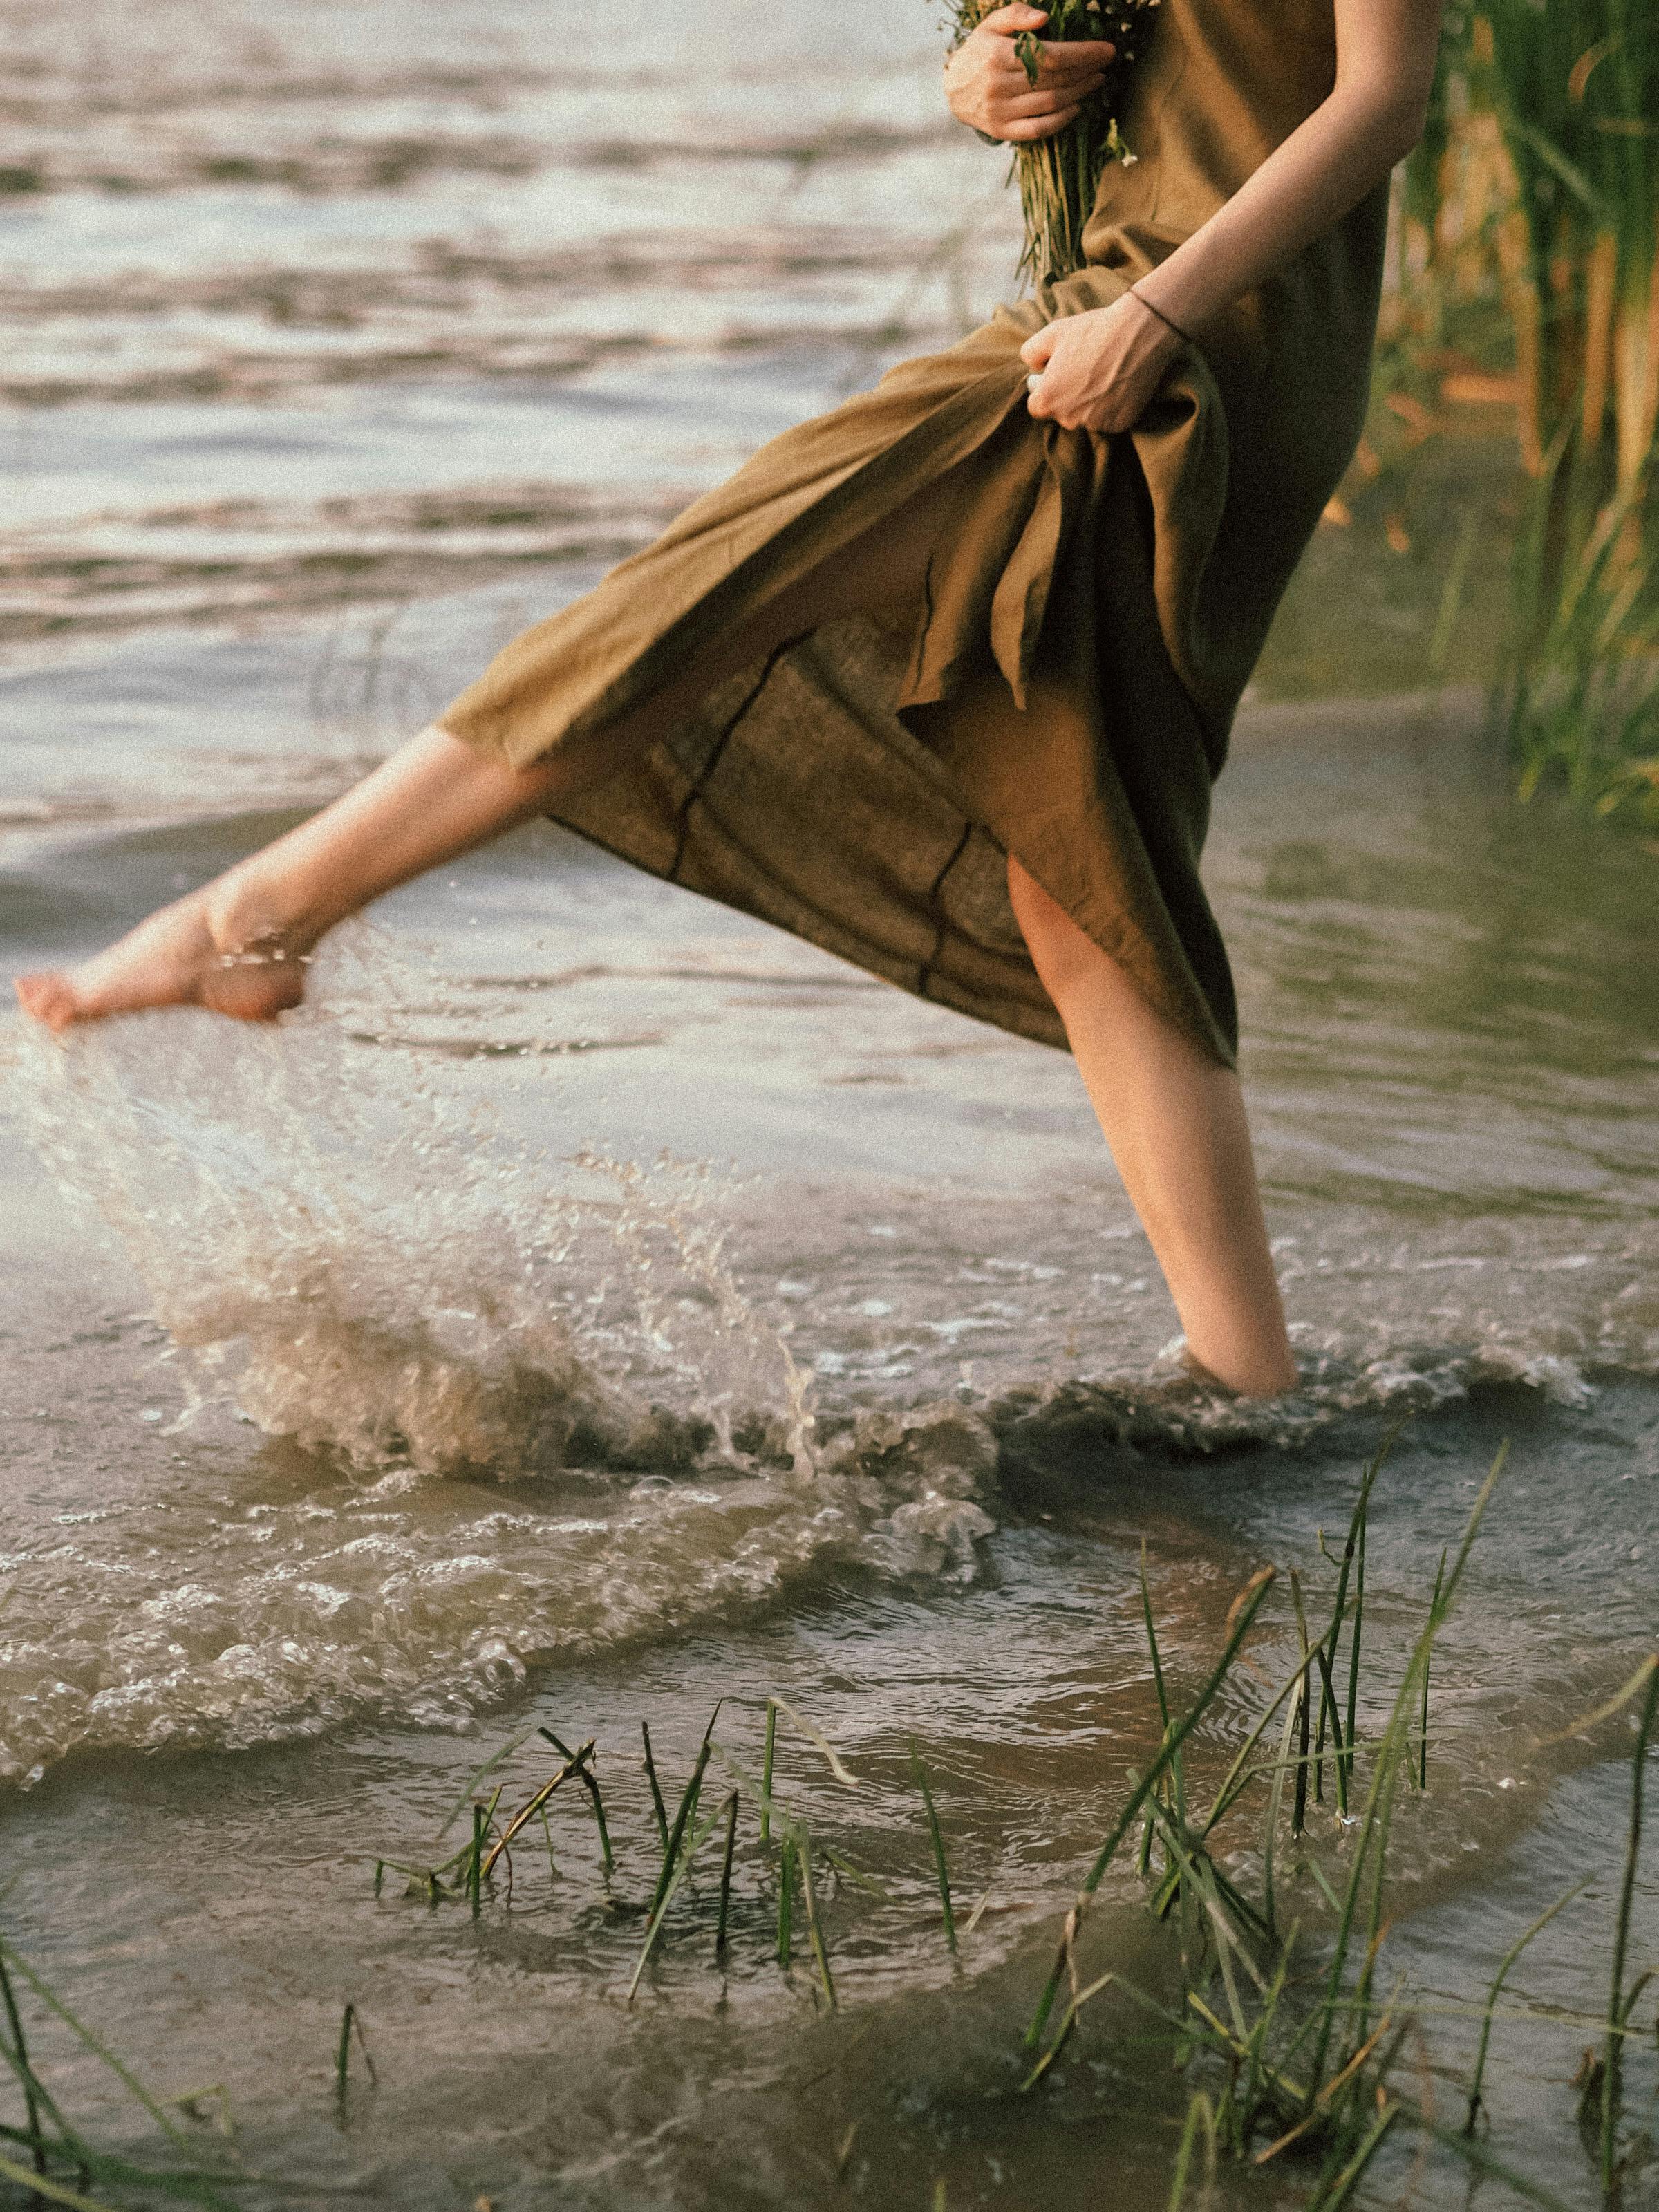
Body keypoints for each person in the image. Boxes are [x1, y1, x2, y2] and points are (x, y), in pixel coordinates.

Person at [15, 0, 1443, 1400]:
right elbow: (1113, 70)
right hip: (1097, 325)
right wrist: (982, 77)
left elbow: (1382, 93)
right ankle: (1249, 1379)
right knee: (1079, 875)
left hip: (1184, 351)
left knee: (704, 592)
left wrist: (1151, 311)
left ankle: (257, 917)